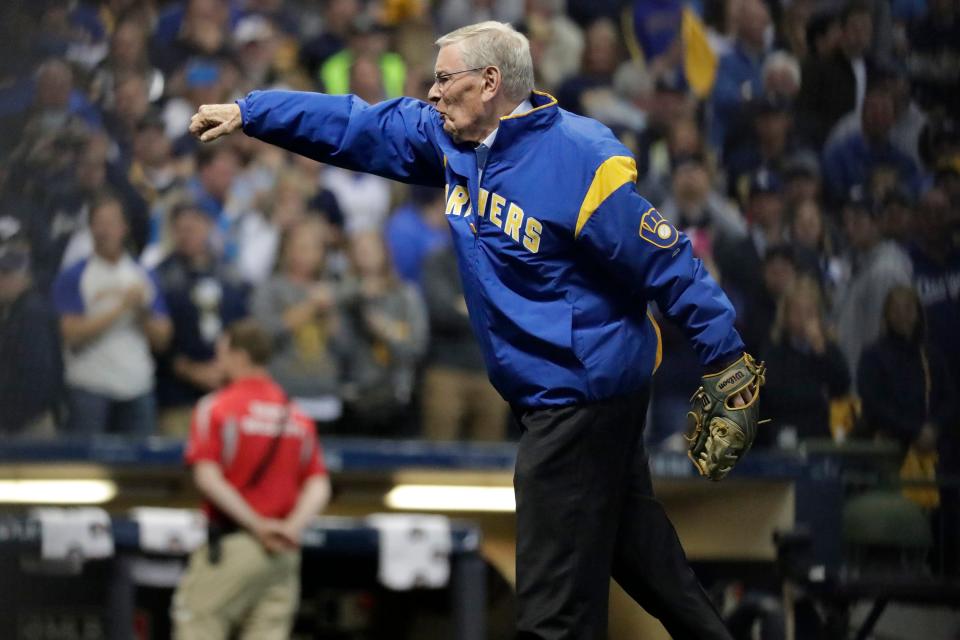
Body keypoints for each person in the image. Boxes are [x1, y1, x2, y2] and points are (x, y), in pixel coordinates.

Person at [188, 21, 758, 639]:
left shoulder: (578, 159)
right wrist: (255, 112)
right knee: (642, 558)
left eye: (443, 78)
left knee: (550, 613)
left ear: (489, 82)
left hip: (577, 398)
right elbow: (357, 126)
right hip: (571, 393)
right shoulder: (452, 141)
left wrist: (725, 358)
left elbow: (668, 259)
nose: (431, 94)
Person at [172, 319, 331, 640]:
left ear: (241, 356)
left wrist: (257, 524)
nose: (218, 362)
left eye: (223, 353)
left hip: (235, 544)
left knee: (198, 623)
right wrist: (291, 528)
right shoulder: (296, 414)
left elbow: (207, 477)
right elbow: (319, 483)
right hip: (284, 552)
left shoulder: (216, 407)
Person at [52, 194, 172, 437]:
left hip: (137, 385)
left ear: (124, 228)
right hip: (89, 386)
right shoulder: (74, 275)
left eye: (111, 222)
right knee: (84, 468)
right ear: (90, 228)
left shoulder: (142, 274)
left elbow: (163, 338)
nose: (105, 230)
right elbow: (70, 334)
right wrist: (121, 307)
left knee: (140, 470)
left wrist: (141, 310)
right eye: (99, 222)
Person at [154, 203, 249, 436]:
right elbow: (156, 337)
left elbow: (243, 326)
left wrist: (229, 368)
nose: (188, 235)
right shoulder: (161, 277)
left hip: (227, 390)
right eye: (181, 229)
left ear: (208, 228)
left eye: (194, 227)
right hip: (177, 395)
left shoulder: (230, 275)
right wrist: (187, 368)